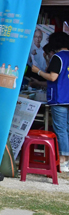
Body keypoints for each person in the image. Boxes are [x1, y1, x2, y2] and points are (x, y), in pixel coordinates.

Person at [32, 32, 69, 172]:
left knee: (61, 130)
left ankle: (64, 161)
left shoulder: (57, 57)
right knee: (67, 129)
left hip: (59, 99)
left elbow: (53, 77)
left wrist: (38, 71)